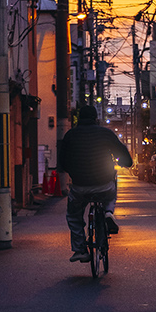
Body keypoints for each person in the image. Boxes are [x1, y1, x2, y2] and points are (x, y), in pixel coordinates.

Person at [58, 104, 133, 262]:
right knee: (111, 190)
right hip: (104, 183)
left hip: (79, 186)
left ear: (79, 118)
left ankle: (80, 249)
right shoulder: (106, 133)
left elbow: (62, 163)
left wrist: (73, 171)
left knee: (74, 215)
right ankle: (108, 212)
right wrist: (127, 163)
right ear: (95, 118)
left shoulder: (70, 135)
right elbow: (123, 153)